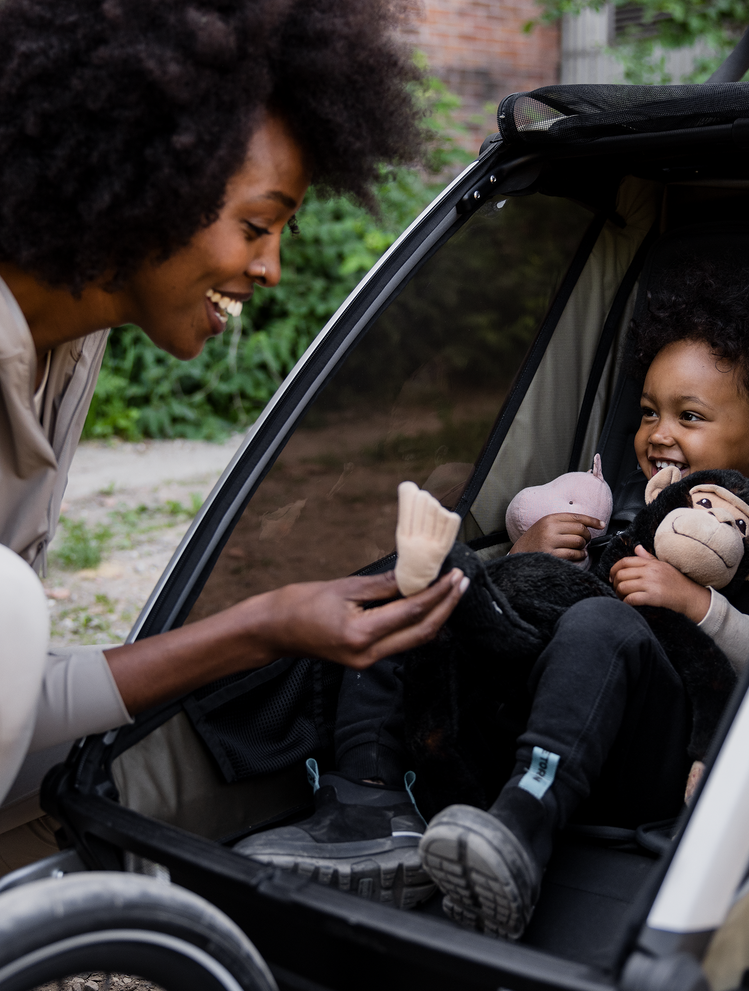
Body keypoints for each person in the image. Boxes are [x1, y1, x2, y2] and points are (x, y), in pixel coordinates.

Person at [235, 261, 749, 938]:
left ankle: (519, 835)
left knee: (600, 622)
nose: (656, 434)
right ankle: (370, 801)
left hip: (659, 761)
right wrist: (521, 560)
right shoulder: (613, 515)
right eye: (647, 412)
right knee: (428, 579)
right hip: (545, 721)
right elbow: (529, 606)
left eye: (688, 416)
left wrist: (699, 605)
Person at [0, 0, 468, 873]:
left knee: (94, 775)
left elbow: (11, 695)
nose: (271, 268)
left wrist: (268, 625)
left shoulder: (67, 347)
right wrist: (262, 626)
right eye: (256, 225)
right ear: (144, 188)